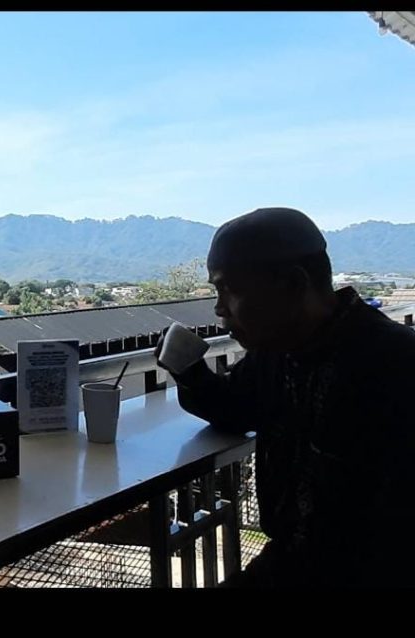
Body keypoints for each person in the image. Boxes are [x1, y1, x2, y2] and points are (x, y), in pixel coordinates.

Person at [155, 207, 415, 587]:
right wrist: (188, 369)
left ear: (293, 284)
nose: (219, 308)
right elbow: (235, 407)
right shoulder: (277, 353)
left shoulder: (396, 367)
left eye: (229, 289)